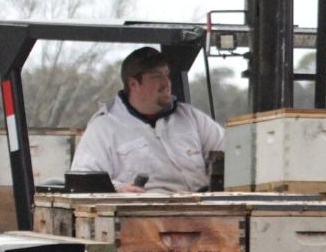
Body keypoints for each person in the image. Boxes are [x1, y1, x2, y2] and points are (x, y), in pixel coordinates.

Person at [71, 47, 225, 193]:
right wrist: (118, 189)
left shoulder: (191, 117)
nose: (166, 83)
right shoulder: (104, 128)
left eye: (166, 75)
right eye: (156, 76)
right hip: (145, 215)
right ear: (133, 84)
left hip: (204, 210)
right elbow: (85, 179)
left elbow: (231, 151)